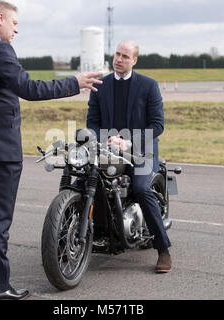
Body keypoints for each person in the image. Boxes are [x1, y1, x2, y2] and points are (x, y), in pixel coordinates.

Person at [0, 1, 102, 300]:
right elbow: (29, 89)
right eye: (15, 23)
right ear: (0, 18)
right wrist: (74, 83)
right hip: (1, 150)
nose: (17, 29)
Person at [86, 40, 172, 273]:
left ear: (134, 60)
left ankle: (163, 249)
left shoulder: (148, 85)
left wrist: (129, 141)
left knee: (142, 189)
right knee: (81, 182)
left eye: (125, 56)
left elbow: (157, 125)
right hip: (107, 149)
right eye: (116, 54)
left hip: (141, 150)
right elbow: (92, 121)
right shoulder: (100, 84)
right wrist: (103, 140)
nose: (118, 59)